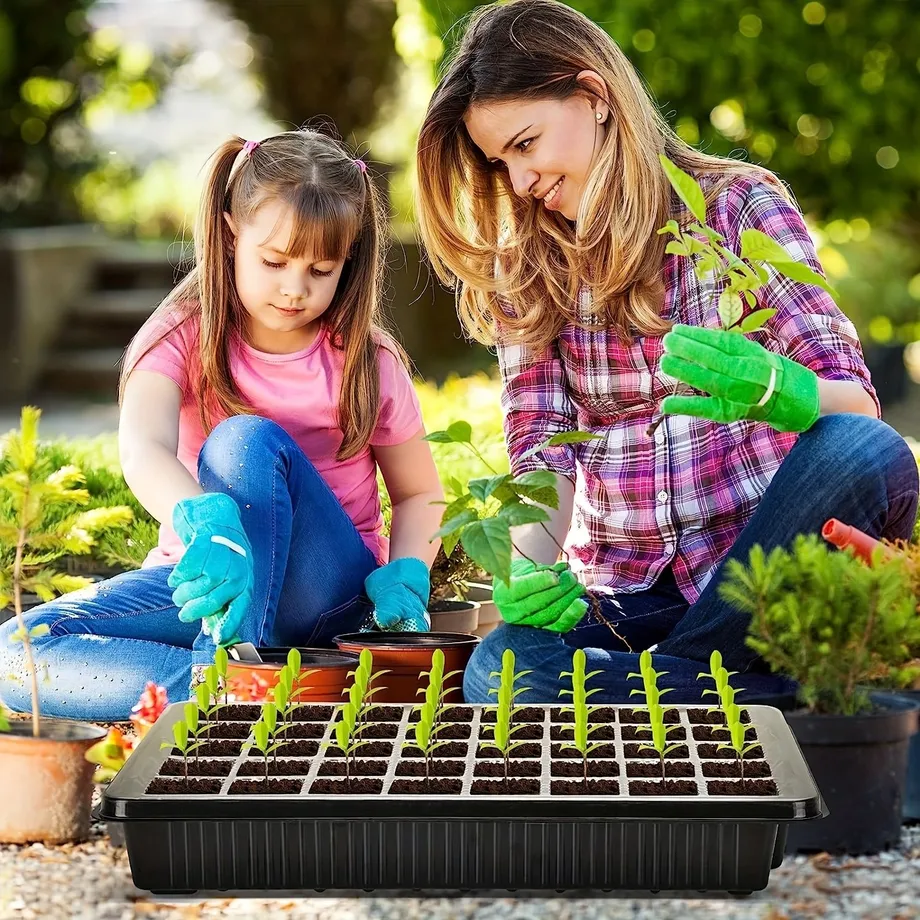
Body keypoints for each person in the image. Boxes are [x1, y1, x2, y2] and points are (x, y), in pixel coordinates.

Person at [415, 0, 919, 703]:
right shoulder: (529, 272)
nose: (521, 181)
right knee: (504, 667)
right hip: (629, 594)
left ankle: (657, 699)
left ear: (593, 97)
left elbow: (855, 404)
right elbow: (544, 455)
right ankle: (786, 697)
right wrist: (526, 568)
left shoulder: (737, 207)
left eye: (526, 143)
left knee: (865, 449)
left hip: (759, 570)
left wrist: (783, 390)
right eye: (501, 163)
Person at [0, 129, 445, 721]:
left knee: (243, 440)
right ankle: (230, 695)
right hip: (212, 585)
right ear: (231, 233)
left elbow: (419, 492)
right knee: (17, 651)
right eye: (274, 261)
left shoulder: (367, 358)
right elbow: (143, 446)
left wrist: (407, 572)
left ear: (349, 261)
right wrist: (204, 523)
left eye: (321, 269)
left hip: (327, 593)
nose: (295, 287)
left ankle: (225, 678)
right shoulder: (181, 337)